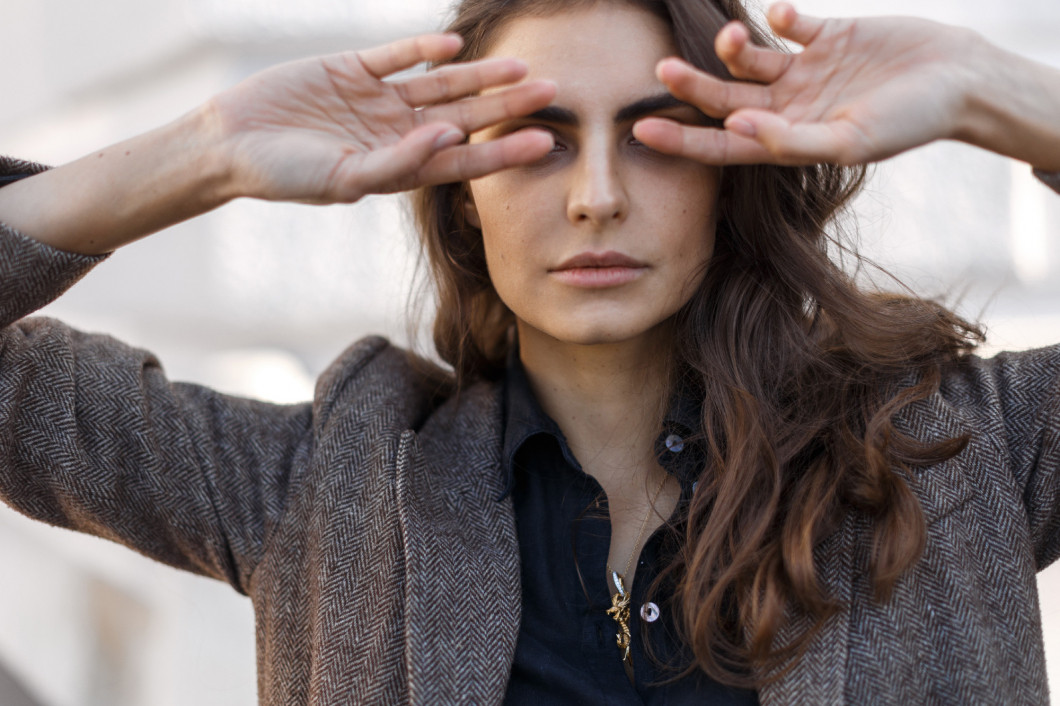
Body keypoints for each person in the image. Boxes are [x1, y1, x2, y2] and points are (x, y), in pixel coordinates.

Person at [1, 0, 1058, 703]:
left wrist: (993, 93)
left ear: (733, 171)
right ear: (464, 195)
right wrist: (207, 154)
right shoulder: (328, 483)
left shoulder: (952, 454)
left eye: (653, 135)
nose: (596, 197)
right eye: (540, 139)